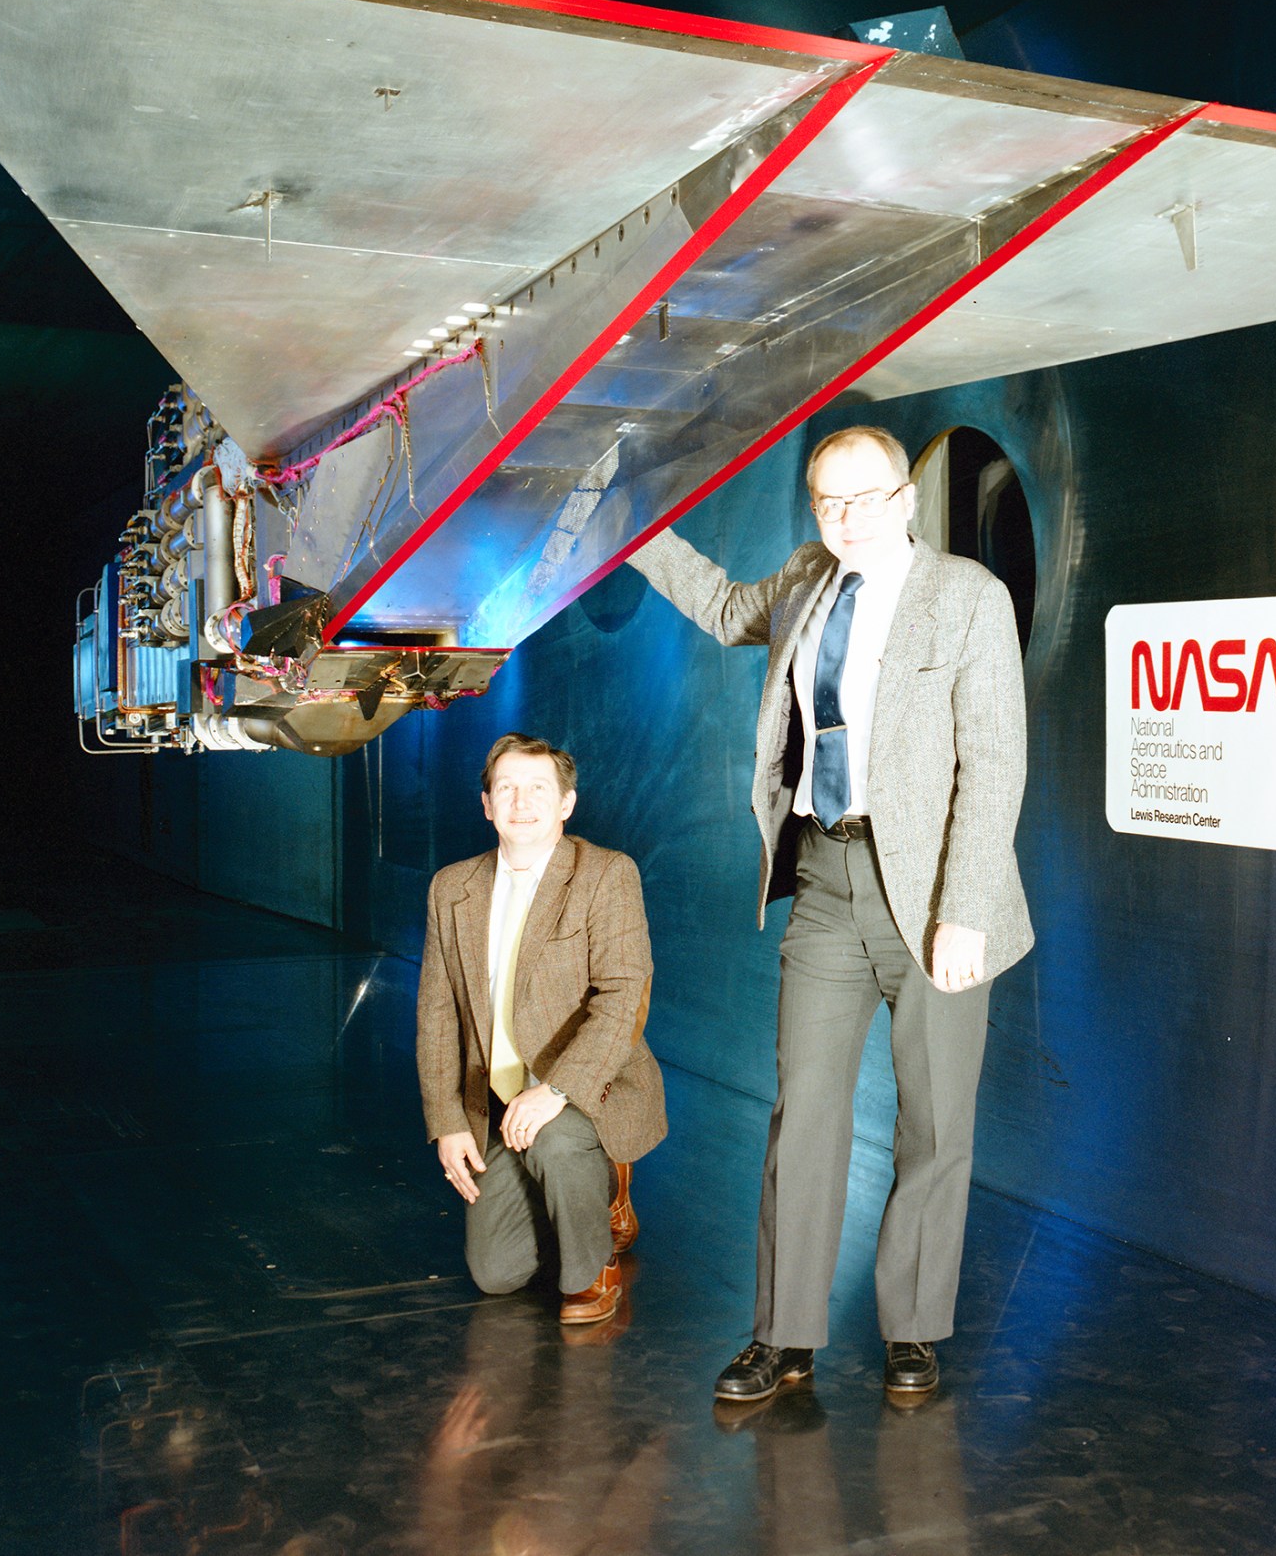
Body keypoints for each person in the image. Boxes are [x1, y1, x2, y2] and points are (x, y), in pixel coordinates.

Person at [627, 423, 1031, 1401]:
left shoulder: (965, 598)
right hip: (824, 882)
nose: (843, 518)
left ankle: (912, 1329)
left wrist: (964, 908)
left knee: (935, 1124)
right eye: (826, 501)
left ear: (903, 499)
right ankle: (783, 1336)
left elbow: (994, 757)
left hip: (935, 893)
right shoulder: (810, 576)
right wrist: (631, 533)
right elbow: (726, 608)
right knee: (801, 1110)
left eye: (861, 499)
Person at [416, 732, 666, 1324]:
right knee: (496, 1275)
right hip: (501, 1103)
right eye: (506, 788)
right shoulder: (452, 888)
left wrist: (554, 1091)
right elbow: (436, 1013)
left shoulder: (606, 874)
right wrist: (447, 1122)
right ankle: (577, 1191)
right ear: (486, 804)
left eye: (537, 789)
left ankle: (594, 1270)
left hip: (587, 1086)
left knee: (556, 1139)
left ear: (565, 804)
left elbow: (624, 997)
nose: (520, 802)